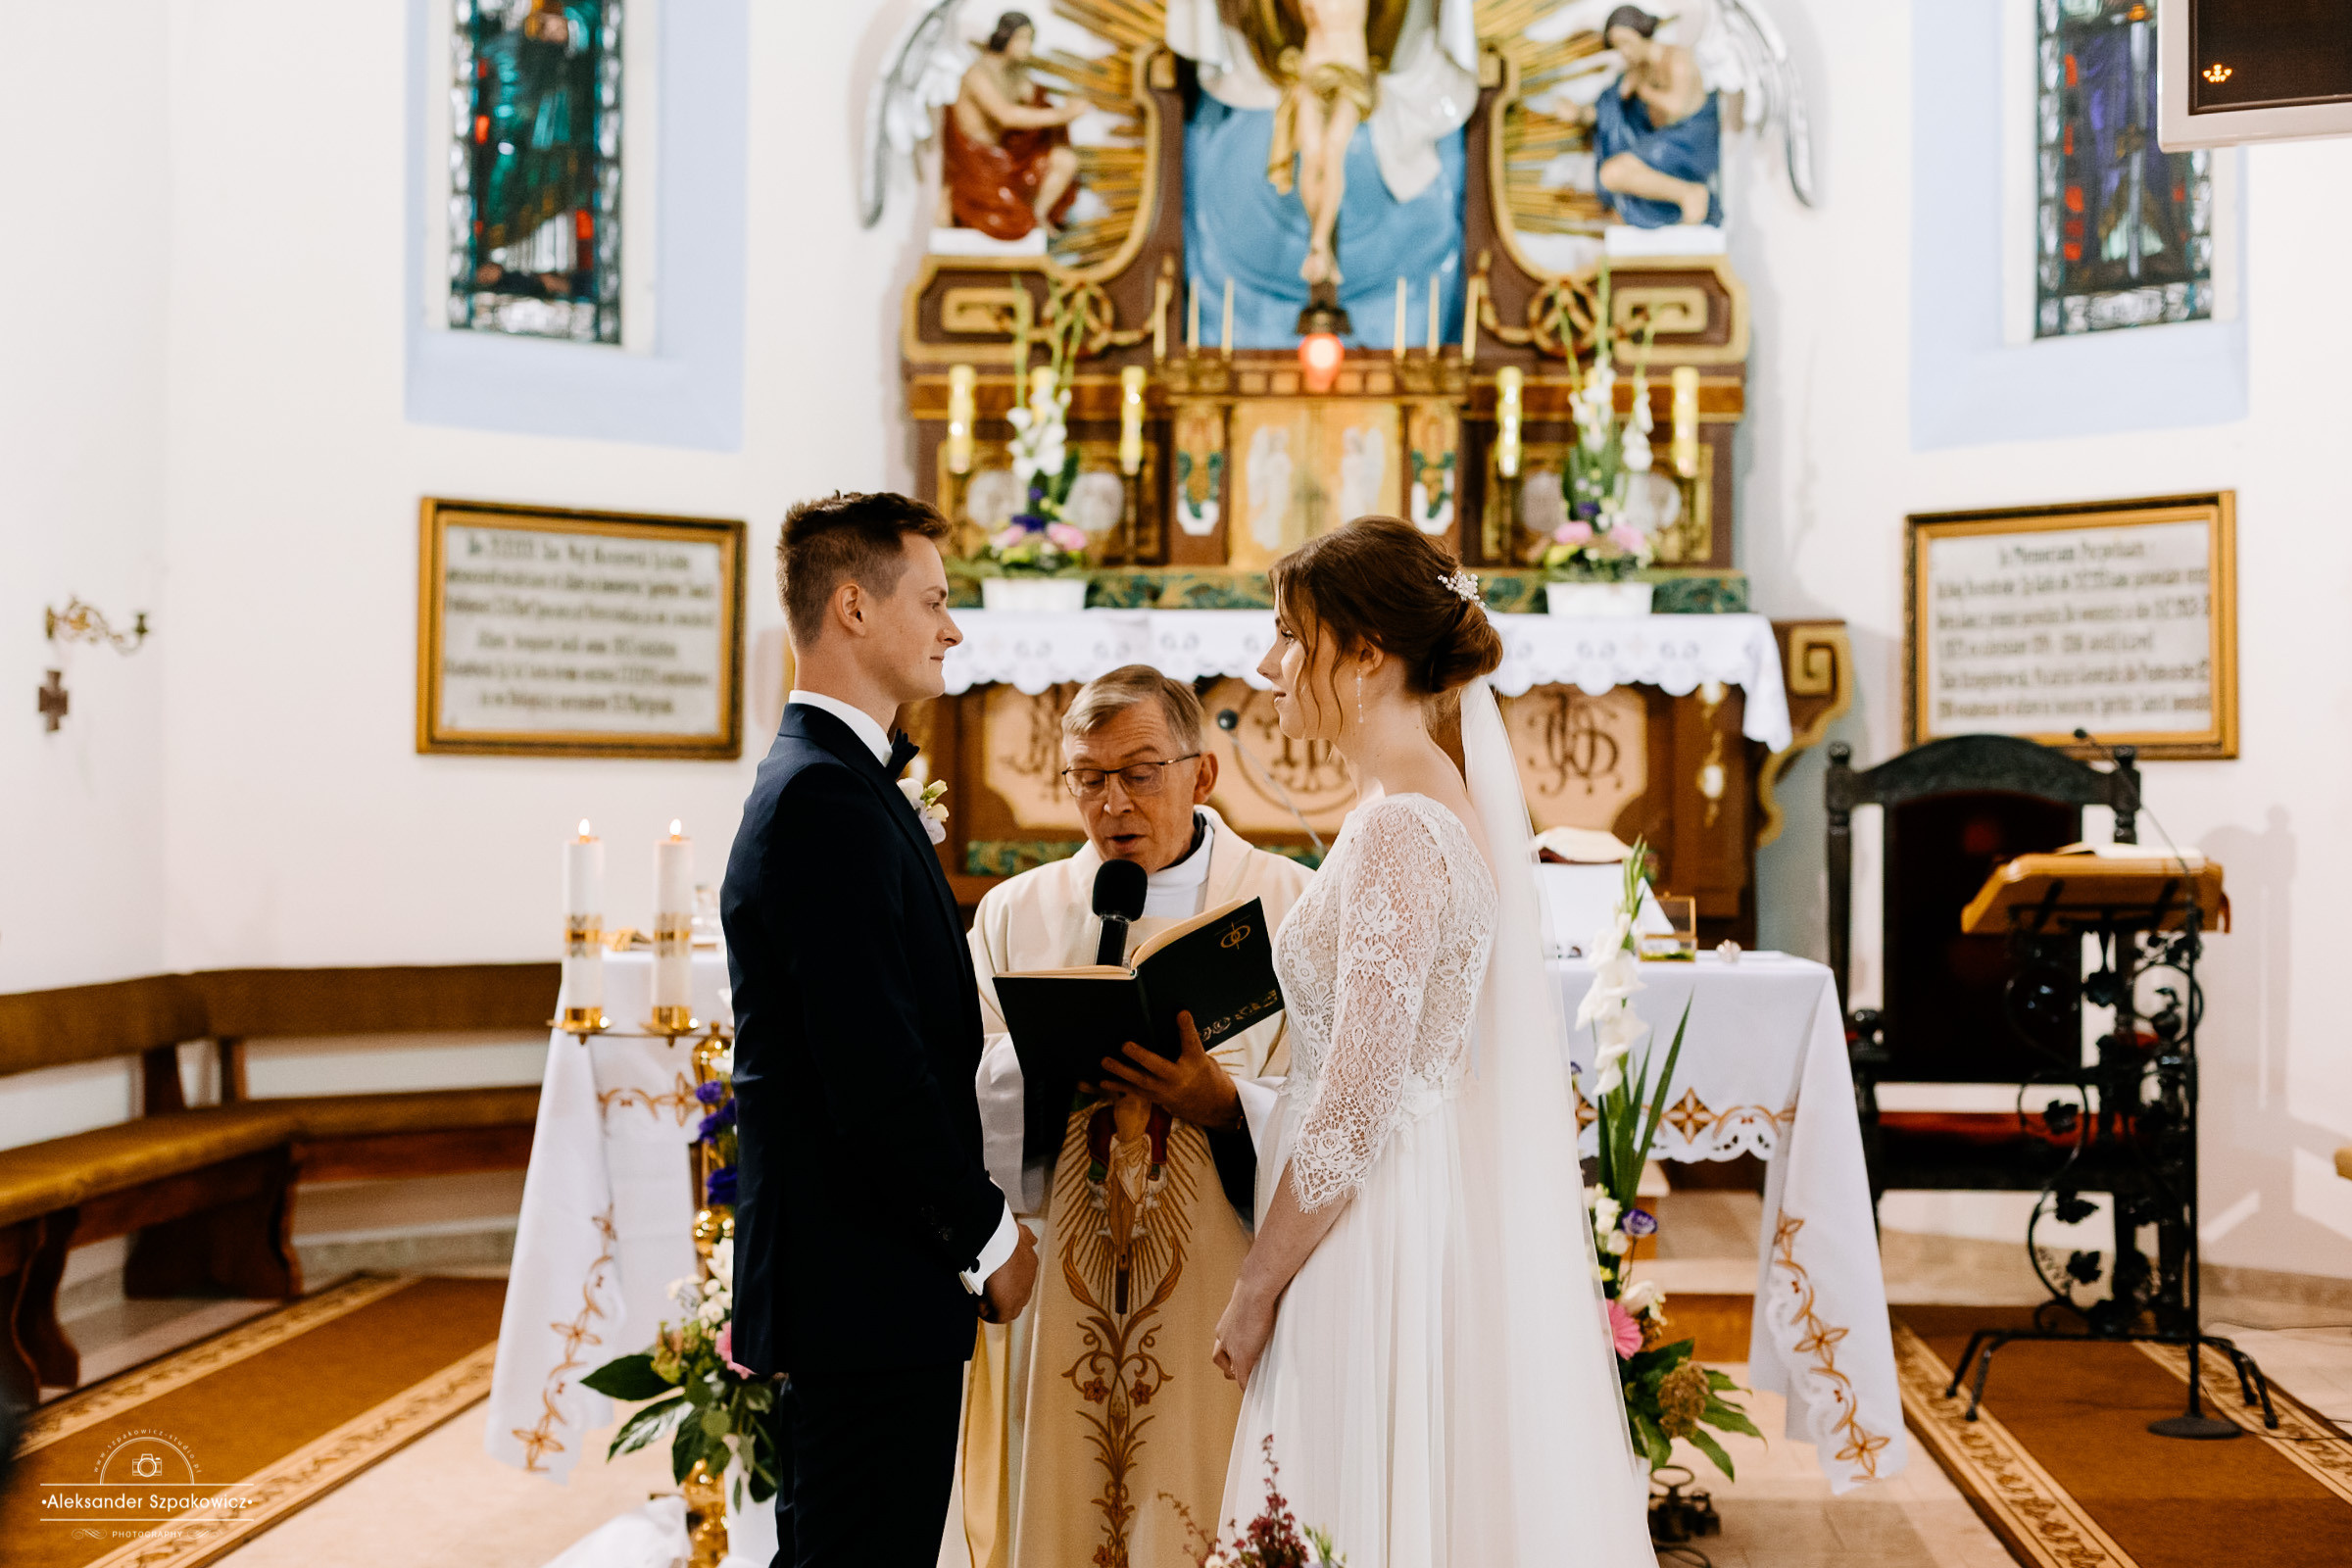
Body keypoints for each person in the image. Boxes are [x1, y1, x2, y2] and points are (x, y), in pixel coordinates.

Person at [1211, 515, 1653, 1565]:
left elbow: (1356, 1106)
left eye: (1288, 634)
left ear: (1366, 653)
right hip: (1401, 1202)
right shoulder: (1413, 804)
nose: (1267, 665)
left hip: (1370, 1230)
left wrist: (1258, 1283)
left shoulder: (1402, 826)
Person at [722, 492, 1041, 1568]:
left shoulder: (839, 778)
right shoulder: (825, 798)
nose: (953, 627)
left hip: (854, 1279)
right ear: (853, 607)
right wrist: (988, 1236)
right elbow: (872, 1072)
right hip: (864, 1280)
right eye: (936, 599)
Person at [962, 665, 1312, 1568]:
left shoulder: (1285, 905)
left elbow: (1336, 1103)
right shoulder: (1016, 913)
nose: (1112, 801)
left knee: (1199, 1506)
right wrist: (1042, 1073)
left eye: (1141, 771)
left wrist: (1226, 1104)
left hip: (1217, 1280)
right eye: (1088, 776)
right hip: (1059, 1284)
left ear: (1202, 776)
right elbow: (962, 1084)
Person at [945, 12, 1086, 241]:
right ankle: (1025, 218)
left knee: (1065, 160)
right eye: (1022, 39)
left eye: (1030, 39)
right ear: (1005, 37)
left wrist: (1073, 94)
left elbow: (1035, 101)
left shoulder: (1014, 74)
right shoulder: (977, 74)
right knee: (1013, 218)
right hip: (981, 164)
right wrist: (1063, 114)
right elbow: (1006, 116)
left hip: (1009, 159)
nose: (1027, 47)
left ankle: (1038, 214)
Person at [1592, 6, 1722, 227]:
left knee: (1613, 174)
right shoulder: (1639, 69)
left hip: (1691, 142)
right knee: (1613, 175)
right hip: (1666, 142)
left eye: (1626, 42)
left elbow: (1676, 106)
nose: (1623, 52)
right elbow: (1610, 107)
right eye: (1617, 46)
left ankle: (1690, 194)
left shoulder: (1677, 59)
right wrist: (1582, 112)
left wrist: (1642, 89)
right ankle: (1683, 196)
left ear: (1640, 31)